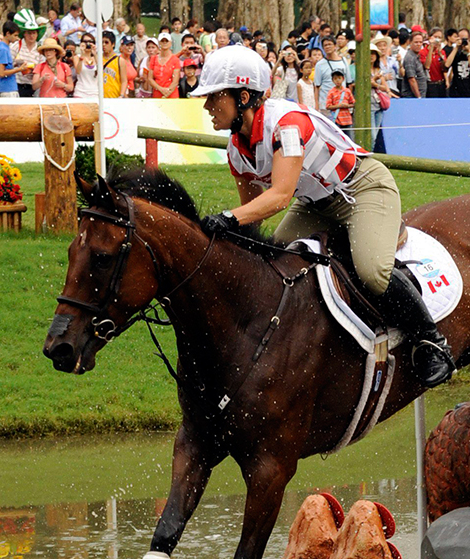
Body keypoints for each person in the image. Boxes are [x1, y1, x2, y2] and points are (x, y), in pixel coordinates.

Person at [193, 45, 453, 387]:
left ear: (243, 96)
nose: (207, 106)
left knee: (373, 273)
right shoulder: (235, 149)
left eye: (214, 97)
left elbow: (280, 196)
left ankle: (432, 341)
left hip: (362, 188)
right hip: (314, 204)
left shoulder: (285, 124)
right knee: (277, 268)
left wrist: (225, 218)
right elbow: (250, 217)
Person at [315, 36, 354, 111]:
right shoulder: (319, 64)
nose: (327, 47)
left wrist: (349, 101)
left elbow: (349, 83)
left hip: (342, 103)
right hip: (326, 104)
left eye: (330, 44)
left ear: (335, 46)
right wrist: (317, 105)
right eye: (325, 45)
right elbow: (317, 86)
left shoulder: (343, 60)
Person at [0, 20, 26, 98]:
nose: (17, 38)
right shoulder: (3, 49)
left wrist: (14, 65)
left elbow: (5, 67)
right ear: (7, 34)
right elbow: (1, 73)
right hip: (7, 89)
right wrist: (19, 69)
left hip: (7, 88)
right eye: (15, 35)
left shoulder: (1, 46)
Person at [445, 30, 470, 97]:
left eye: (465, 39)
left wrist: (469, 51)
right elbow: (447, 65)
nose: (463, 41)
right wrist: (456, 47)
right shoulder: (455, 54)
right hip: (456, 92)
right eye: (461, 38)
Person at [324, 68, 355, 135]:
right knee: (338, 138)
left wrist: (347, 106)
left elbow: (353, 103)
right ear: (332, 80)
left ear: (343, 79)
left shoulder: (347, 91)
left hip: (347, 120)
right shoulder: (331, 92)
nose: (337, 80)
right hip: (337, 119)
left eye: (339, 78)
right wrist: (339, 106)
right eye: (335, 79)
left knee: (349, 138)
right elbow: (328, 106)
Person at [399, 32, 425, 97]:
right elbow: (411, 79)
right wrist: (418, 97)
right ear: (410, 42)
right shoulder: (410, 58)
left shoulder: (416, 56)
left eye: (420, 42)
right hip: (412, 97)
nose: (418, 44)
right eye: (416, 42)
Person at [74, 33, 98, 98]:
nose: (88, 44)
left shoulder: (97, 58)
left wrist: (95, 54)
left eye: (90, 42)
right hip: (80, 92)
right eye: (85, 41)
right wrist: (82, 54)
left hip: (95, 93)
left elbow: (101, 71)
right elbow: (78, 71)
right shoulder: (77, 57)